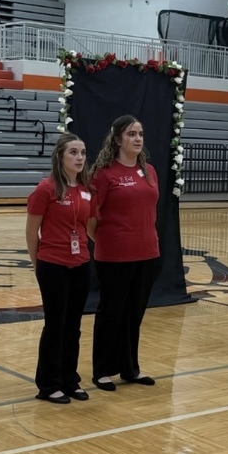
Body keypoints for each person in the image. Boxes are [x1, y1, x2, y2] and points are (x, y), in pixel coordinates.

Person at [89, 115, 161, 391]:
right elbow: (90, 218)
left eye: (140, 133)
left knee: (134, 314)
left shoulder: (149, 171)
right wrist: (109, 241)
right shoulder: (104, 174)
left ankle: (130, 368)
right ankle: (102, 370)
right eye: (131, 134)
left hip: (147, 253)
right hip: (115, 257)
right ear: (118, 139)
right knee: (111, 313)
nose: (138, 139)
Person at [25, 134, 98, 404]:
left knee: (73, 326)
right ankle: (48, 383)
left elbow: (89, 227)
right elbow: (32, 232)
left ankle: (70, 379)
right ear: (60, 157)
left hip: (80, 265)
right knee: (55, 325)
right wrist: (38, 264)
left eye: (82, 152)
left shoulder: (87, 189)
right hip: (52, 264)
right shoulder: (46, 189)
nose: (80, 158)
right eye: (73, 153)